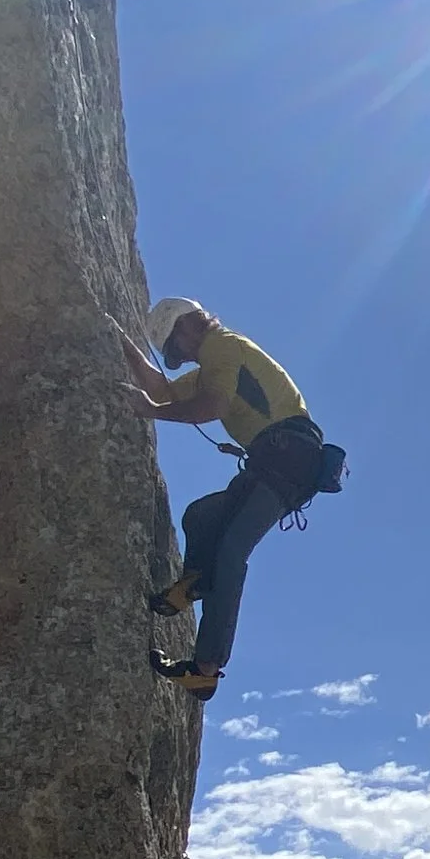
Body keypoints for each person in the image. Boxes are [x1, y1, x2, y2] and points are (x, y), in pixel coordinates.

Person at [115, 296, 332, 701]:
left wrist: (150, 412)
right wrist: (126, 345)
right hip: (285, 461)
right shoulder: (212, 367)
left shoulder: (222, 346)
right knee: (202, 517)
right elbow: (162, 390)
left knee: (231, 550)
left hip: (287, 455)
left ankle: (205, 668)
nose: (179, 354)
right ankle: (193, 584)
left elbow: (211, 407)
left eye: (175, 347)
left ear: (187, 326)